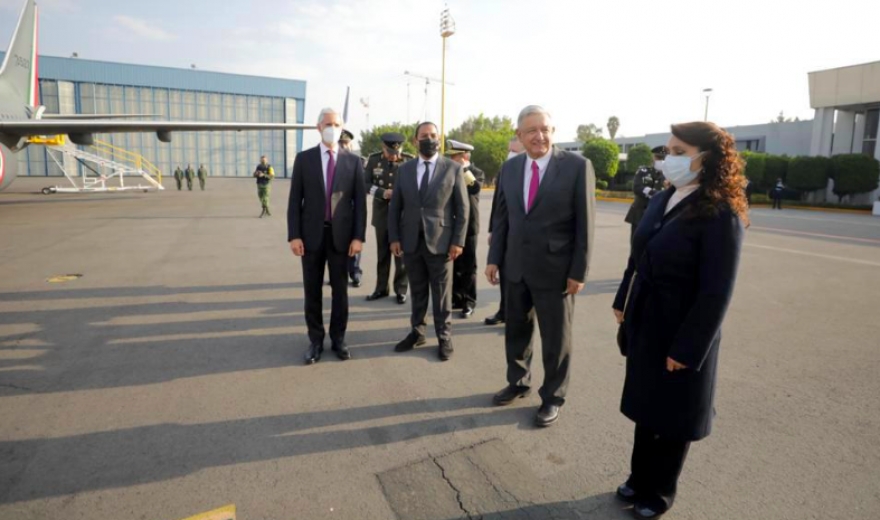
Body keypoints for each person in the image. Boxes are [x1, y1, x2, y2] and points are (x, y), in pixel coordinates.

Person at [611, 121, 747, 518]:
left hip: (683, 324)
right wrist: (623, 298)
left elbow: (717, 290)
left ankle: (660, 491)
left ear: (708, 159)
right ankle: (639, 477)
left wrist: (688, 347)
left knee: (672, 414)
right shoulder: (663, 197)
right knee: (646, 402)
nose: (669, 159)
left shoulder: (721, 212)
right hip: (647, 318)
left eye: (679, 152)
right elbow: (638, 256)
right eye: (668, 151)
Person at [486, 105, 596, 427]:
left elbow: (585, 225)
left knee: (556, 340)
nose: (540, 136)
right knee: (516, 332)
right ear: (519, 136)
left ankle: (553, 397)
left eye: (545, 129)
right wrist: (494, 259)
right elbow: (503, 218)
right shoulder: (510, 169)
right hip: (515, 268)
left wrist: (579, 271)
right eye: (532, 130)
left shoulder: (577, 167)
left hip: (557, 271)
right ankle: (518, 382)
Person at [288, 108, 366, 365]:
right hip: (310, 237)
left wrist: (358, 237)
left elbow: (360, 205)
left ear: (341, 128)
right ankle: (315, 340)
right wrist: (294, 236)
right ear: (318, 127)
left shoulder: (353, 161)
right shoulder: (304, 159)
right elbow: (294, 202)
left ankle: (339, 339)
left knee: (340, 292)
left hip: (342, 239)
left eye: (336, 124)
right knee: (312, 291)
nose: (332, 127)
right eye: (328, 123)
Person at [388, 121, 468, 361]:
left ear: (439, 138)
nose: (429, 139)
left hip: (441, 242)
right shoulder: (404, 170)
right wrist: (394, 238)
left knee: (442, 292)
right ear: (415, 141)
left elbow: (463, 210)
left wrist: (458, 241)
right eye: (424, 136)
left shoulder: (452, 168)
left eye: (433, 135)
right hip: (411, 241)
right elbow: (395, 208)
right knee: (418, 290)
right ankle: (417, 332)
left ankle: (444, 336)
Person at [365, 133, 412, 305]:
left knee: (401, 256)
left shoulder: (409, 161)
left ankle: (401, 290)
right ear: (383, 148)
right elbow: (365, 184)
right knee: (382, 254)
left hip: (403, 216)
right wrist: (382, 192)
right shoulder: (373, 160)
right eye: (390, 152)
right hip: (382, 214)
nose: (394, 156)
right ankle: (381, 288)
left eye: (397, 152)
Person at [484, 138, 524, 326]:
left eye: (514, 151)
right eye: (509, 150)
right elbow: (498, 205)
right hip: (505, 232)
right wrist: (493, 230)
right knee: (506, 275)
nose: (510, 154)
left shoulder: (533, 172)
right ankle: (504, 311)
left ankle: (519, 316)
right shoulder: (506, 169)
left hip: (525, 237)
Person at [446, 139, 484, 318]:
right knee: (454, 264)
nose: (451, 159)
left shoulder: (476, 172)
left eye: (455, 156)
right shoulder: (448, 171)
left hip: (469, 225)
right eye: (451, 156)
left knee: (469, 265)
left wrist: (464, 170)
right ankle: (457, 297)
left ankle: (469, 301)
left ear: (464, 156)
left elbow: (475, 188)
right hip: (451, 225)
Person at [338, 129, 364, 288]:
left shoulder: (357, 161)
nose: (344, 146)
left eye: (346, 143)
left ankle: (354, 272)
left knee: (354, 241)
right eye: (341, 143)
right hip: (336, 212)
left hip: (353, 209)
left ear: (351, 144)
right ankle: (337, 271)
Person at [625, 146, 667, 240]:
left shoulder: (668, 175)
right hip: (640, 213)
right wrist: (657, 193)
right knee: (637, 243)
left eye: (664, 158)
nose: (661, 161)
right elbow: (637, 188)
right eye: (659, 158)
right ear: (654, 158)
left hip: (659, 215)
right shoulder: (643, 171)